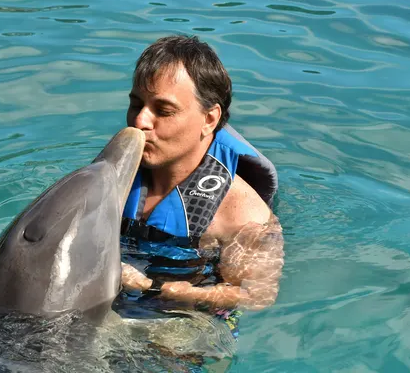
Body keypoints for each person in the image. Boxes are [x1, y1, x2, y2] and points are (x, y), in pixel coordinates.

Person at [117, 35, 285, 339]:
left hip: (185, 327)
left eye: (163, 110)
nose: (140, 121)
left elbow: (258, 295)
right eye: (136, 104)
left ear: (209, 119)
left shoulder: (241, 211)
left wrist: (159, 288)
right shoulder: (117, 175)